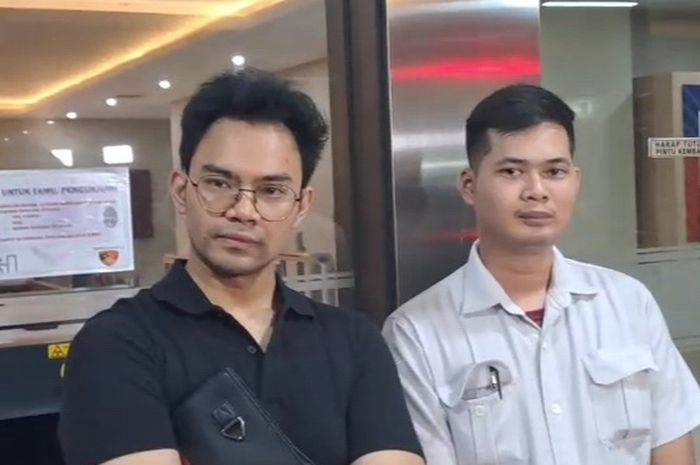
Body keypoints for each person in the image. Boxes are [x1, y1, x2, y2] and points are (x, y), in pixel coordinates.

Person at [59, 68, 424, 465]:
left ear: (301, 206)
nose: (244, 210)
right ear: (181, 190)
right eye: (220, 184)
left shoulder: (353, 341)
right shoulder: (119, 343)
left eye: (272, 191)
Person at [383, 84, 700, 465]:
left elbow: (672, 446)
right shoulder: (416, 332)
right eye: (512, 171)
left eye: (554, 171)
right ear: (470, 185)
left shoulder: (629, 303)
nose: (537, 191)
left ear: (575, 180)